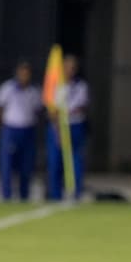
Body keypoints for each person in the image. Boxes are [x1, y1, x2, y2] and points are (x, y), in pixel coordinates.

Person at [0, 60, 43, 201]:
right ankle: (6, 195)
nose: (24, 76)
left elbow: (38, 111)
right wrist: (2, 128)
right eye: (22, 73)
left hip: (27, 130)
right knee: (7, 165)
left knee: (26, 166)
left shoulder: (34, 91)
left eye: (27, 74)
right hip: (11, 129)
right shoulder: (7, 88)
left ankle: (24, 195)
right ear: (17, 73)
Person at [45, 54, 89, 200]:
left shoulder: (80, 86)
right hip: (58, 126)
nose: (71, 70)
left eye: (73, 68)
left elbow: (82, 106)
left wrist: (67, 112)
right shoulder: (56, 85)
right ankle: (55, 194)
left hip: (75, 126)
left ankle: (75, 192)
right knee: (55, 161)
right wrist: (57, 124)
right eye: (68, 67)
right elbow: (51, 108)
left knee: (76, 160)